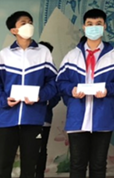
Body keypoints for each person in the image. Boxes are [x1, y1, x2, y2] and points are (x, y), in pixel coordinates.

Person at [57, 9, 114, 178]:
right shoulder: (72, 56)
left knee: (98, 165)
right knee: (77, 164)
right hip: (77, 118)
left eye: (98, 24)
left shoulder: (113, 55)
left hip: (103, 117)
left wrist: (108, 90)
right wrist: (72, 90)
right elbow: (60, 82)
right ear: (83, 27)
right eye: (89, 24)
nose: (93, 27)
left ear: (105, 26)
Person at [0, 11, 58, 178]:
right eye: (23, 23)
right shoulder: (4, 54)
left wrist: (40, 96)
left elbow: (54, 82)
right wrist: (4, 100)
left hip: (33, 118)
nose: (29, 25)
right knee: (3, 165)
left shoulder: (43, 53)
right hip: (7, 119)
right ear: (14, 30)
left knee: (29, 166)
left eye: (30, 22)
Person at [36, 41, 61, 178]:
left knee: (41, 149)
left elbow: (56, 95)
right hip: (25, 118)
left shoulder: (52, 72)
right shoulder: (28, 69)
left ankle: (39, 175)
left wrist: (46, 101)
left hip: (44, 118)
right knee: (27, 149)